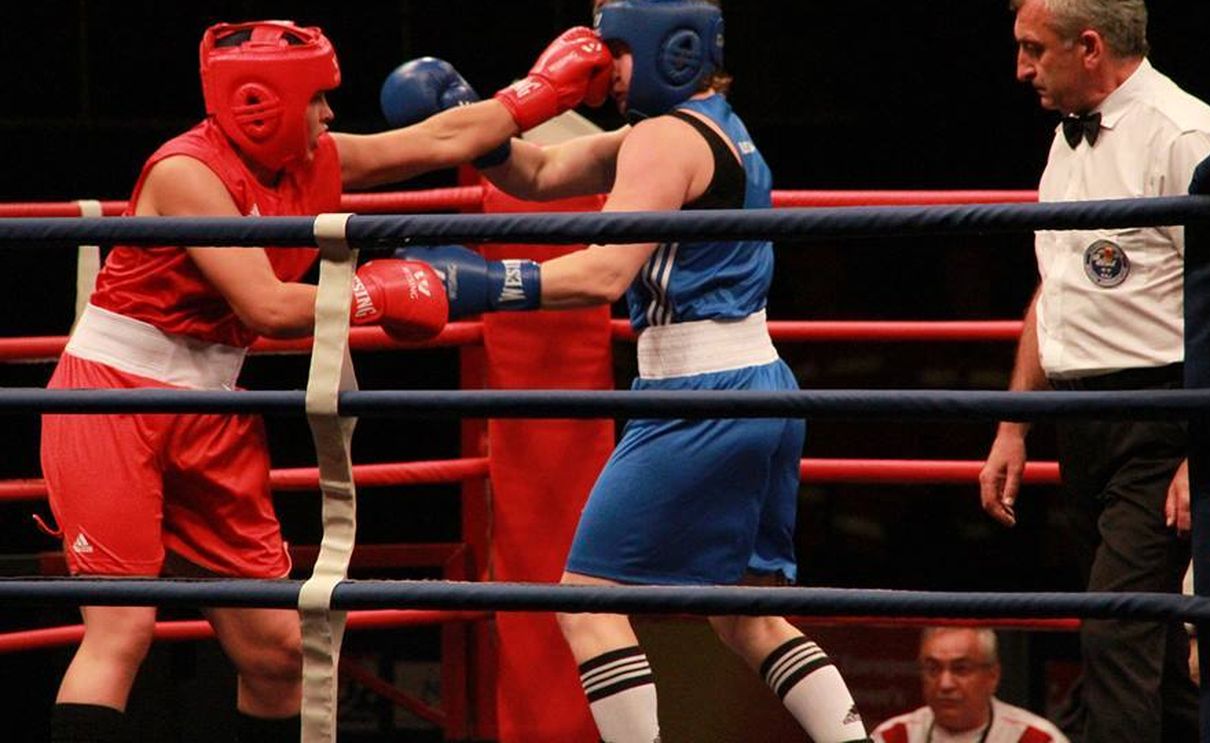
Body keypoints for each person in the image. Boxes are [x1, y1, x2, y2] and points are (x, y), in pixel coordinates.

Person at [38, 19, 611, 743]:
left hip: (209, 404)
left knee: (282, 654)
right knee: (122, 633)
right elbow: (268, 308)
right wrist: (380, 292)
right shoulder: (187, 173)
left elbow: (441, 139)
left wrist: (544, 91)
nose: (329, 114)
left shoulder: (316, 161)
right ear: (261, 103)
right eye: (316, 99)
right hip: (113, 397)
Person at [385, 1, 869, 740]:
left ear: (669, 49)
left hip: (700, 397)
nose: (601, 66)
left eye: (616, 48)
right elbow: (540, 172)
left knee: (587, 603)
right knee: (747, 613)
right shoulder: (709, 126)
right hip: (759, 385)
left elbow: (605, 274)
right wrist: (477, 123)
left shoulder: (664, 140)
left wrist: (480, 283)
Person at [977, 1, 1210, 741]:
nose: (1021, 69)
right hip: (1080, 419)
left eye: (1035, 49)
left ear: (1089, 46)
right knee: (1152, 646)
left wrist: (1205, 445)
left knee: (1115, 633)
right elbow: (1056, 289)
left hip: (1164, 417)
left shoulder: (1184, 135)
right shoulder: (1067, 140)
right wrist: (1014, 423)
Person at [871, 627, 1067, 743]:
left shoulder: (1037, 738)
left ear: (993, 676)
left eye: (961, 669)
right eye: (933, 669)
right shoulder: (892, 737)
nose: (945, 684)